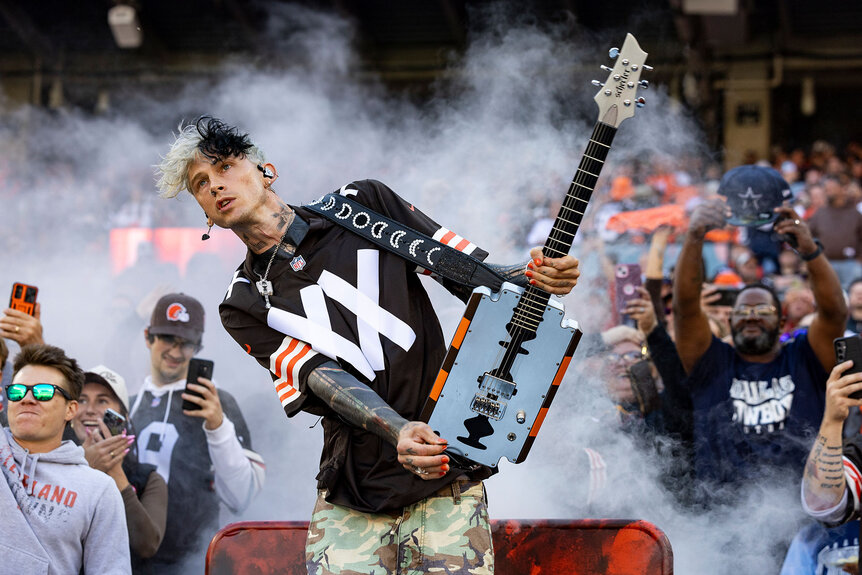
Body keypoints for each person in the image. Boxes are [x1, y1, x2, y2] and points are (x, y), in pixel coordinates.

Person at [156, 116, 580, 573]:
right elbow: (319, 375)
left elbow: (474, 278)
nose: (215, 185)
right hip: (351, 494)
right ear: (205, 212)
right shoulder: (240, 303)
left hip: (446, 471)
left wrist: (535, 274)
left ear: (266, 170)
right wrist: (398, 428)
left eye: (224, 167)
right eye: (201, 183)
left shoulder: (363, 204)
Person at [673, 167, 847, 492]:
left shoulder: (804, 358)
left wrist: (809, 250)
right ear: (728, 321)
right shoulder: (712, 362)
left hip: (799, 518)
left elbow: (835, 312)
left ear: (782, 323)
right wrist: (695, 236)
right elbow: (684, 309)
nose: (751, 316)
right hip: (720, 521)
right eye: (743, 310)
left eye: (763, 310)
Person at [128, 292, 265, 574]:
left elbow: (242, 497)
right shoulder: (128, 404)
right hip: (127, 559)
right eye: (168, 338)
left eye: (187, 342)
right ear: (148, 337)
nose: (176, 352)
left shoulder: (218, 403)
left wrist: (217, 426)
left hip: (192, 561)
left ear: (198, 346)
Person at [0, 344, 130, 574]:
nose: (27, 399)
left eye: (43, 392)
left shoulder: (98, 490)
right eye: (18, 391)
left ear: (71, 410)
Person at [70, 366, 168, 573]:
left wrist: (114, 471)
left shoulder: (149, 479)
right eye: (82, 400)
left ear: (123, 415)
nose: (89, 409)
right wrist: (81, 466)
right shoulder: (51, 463)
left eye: (103, 401)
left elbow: (146, 545)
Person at [807, 175, 862, 290]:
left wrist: (859, 259)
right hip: (826, 263)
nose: (828, 192)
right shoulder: (820, 213)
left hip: (850, 264)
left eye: (831, 188)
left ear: (842, 189)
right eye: (826, 189)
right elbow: (809, 236)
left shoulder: (855, 213)